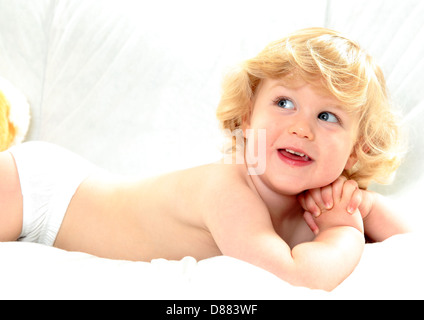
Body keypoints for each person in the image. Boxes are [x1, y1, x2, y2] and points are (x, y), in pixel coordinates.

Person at [0, 28, 411, 291]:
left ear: (358, 148)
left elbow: (410, 244)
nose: (302, 128)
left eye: (327, 116)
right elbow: (297, 276)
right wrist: (344, 228)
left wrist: (363, 202)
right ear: (249, 116)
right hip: (41, 191)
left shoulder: (320, 196)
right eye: (284, 102)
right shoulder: (228, 189)